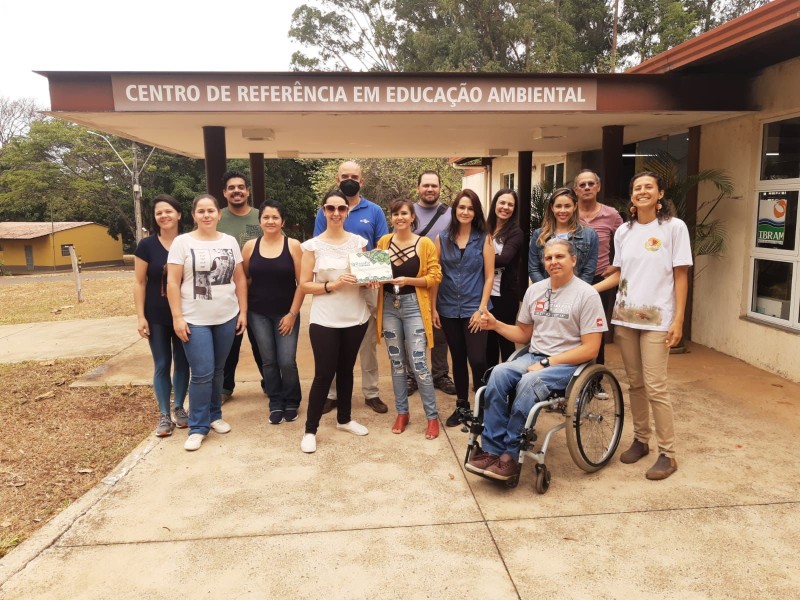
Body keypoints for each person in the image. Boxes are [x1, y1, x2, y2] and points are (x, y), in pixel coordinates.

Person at [468, 238, 607, 481]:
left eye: (560, 257)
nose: (553, 262)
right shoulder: (535, 290)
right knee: (499, 373)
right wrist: (495, 324)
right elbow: (523, 334)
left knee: (529, 382)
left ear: (573, 260)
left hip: (568, 364)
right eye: (549, 257)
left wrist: (547, 363)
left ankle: (509, 455)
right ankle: (491, 449)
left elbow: (591, 349)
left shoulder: (587, 295)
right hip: (534, 355)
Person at [595, 171, 692, 481]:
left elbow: (681, 276)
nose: (642, 191)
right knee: (635, 383)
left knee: (655, 386)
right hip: (625, 318)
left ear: (660, 193)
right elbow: (618, 275)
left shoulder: (674, 228)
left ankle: (668, 453)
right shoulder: (623, 231)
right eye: (637, 188)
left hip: (657, 320)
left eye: (649, 187)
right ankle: (641, 440)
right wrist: (587, 290)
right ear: (632, 196)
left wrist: (678, 320)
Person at [167, 194, 247, 452]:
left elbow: (240, 280)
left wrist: (242, 312)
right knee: (201, 373)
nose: (206, 215)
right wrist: (177, 317)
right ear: (193, 215)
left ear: (219, 214)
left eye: (211, 210)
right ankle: (198, 426)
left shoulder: (230, 241)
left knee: (217, 371)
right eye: (201, 211)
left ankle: (214, 415)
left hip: (226, 316)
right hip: (195, 318)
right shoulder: (182, 242)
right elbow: (172, 282)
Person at [300, 190, 376, 453]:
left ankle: (344, 419)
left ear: (347, 211)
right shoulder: (311, 246)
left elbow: (365, 279)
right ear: (323, 211)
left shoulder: (359, 242)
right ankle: (311, 429)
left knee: (346, 370)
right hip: (325, 320)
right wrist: (332, 284)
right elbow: (304, 285)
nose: (336, 213)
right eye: (330, 208)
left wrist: (371, 279)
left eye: (341, 209)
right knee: (324, 374)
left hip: (355, 317)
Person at [313, 161, 389, 414]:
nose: (349, 179)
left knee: (367, 342)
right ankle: (332, 395)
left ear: (361, 181)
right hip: (334, 287)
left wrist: (375, 272)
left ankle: (371, 392)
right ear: (337, 178)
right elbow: (317, 246)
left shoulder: (374, 210)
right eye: (345, 176)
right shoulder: (325, 210)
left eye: (354, 176)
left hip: (366, 285)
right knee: (333, 344)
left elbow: (381, 247)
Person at [376, 199, 443, 440]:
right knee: (396, 364)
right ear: (391, 217)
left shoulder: (424, 243)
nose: (400, 217)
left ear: (412, 217)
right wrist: (374, 277)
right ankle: (402, 413)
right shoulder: (383, 242)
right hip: (390, 308)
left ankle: (432, 417)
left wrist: (409, 281)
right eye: (395, 214)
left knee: (419, 364)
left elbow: (436, 275)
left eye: (404, 213)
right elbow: (378, 274)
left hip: (415, 306)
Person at [433, 189, 495, 428]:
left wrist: (481, 309)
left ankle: (482, 407)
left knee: (478, 359)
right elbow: (437, 274)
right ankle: (462, 406)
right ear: (454, 210)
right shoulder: (443, 238)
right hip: (448, 308)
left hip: (474, 308)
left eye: (470, 208)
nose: (465, 212)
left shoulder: (484, 238)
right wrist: (433, 308)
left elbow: (489, 276)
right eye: (461, 207)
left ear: (475, 211)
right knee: (457, 359)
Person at [242, 200, 304, 425]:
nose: (270, 221)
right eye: (266, 217)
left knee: (286, 360)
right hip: (258, 313)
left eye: (275, 217)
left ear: (282, 221)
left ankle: (292, 400)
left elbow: (302, 283)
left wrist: (292, 314)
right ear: (260, 221)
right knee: (268, 361)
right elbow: (244, 278)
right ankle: (275, 401)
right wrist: (244, 310)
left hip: (286, 312)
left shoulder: (294, 245)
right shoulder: (250, 246)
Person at [133, 194, 190, 437]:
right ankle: (164, 414)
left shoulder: (189, 242)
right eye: (159, 213)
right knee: (162, 363)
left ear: (179, 214)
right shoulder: (147, 246)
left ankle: (179, 408)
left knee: (183, 362)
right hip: (156, 314)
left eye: (168, 211)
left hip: (186, 313)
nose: (164, 216)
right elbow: (139, 282)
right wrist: (140, 316)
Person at [217, 169, 263, 404]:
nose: (237, 191)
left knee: (262, 344)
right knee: (229, 345)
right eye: (231, 188)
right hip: (225, 294)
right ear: (225, 193)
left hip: (258, 293)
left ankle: (271, 383)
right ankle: (225, 387)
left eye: (241, 187)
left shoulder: (261, 217)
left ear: (248, 190)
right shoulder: (216, 218)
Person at [575, 169, 623, 364]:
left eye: (591, 184)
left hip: (599, 279)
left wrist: (617, 264)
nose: (587, 187)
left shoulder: (611, 214)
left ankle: (596, 375)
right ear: (575, 189)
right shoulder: (568, 211)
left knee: (596, 327)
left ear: (598, 187)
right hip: (571, 278)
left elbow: (626, 240)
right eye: (582, 184)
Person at [485, 188, 524, 369]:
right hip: (485, 293)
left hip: (505, 295)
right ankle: (489, 380)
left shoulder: (515, 232)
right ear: (495, 204)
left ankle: (510, 379)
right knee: (488, 341)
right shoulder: (484, 228)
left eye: (510, 204)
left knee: (506, 340)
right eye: (502, 203)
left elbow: (504, 259)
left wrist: (478, 258)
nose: (505, 207)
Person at [529, 187, 598, 285]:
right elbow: (533, 269)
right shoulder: (539, 235)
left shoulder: (590, 235)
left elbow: (589, 271)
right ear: (552, 207)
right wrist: (548, 290)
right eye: (558, 206)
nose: (562, 210)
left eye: (567, 206)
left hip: (576, 294)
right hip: (547, 294)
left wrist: (573, 292)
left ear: (575, 206)